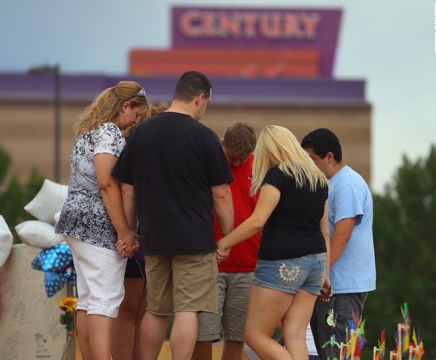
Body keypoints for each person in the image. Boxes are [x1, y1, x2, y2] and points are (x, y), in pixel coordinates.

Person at [112, 71, 234, 360]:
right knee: (187, 310)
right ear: (200, 98)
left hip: (155, 238)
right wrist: (228, 237)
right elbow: (221, 195)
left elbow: (127, 190)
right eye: (207, 103)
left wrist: (130, 230)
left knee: (156, 310)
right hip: (195, 240)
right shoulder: (204, 137)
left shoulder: (142, 132)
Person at [216, 125, 330, 360]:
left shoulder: (277, 175)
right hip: (316, 263)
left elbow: (257, 221)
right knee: (296, 335)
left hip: (282, 264)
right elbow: (325, 232)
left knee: (255, 334)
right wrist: (326, 272)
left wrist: (223, 242)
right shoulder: (318, 179)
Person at [55, 81, 149, 360]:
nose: (136, 121)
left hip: (74, 223)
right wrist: (124, 231)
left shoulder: (87, 132)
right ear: (125, 106)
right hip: (97, 227)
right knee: (105, 301)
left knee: (87, 300)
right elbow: (108, 183)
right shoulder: (109, 132)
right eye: (137, 114)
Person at [301, 128, 376, 360]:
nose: (308, 164)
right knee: (329, 351)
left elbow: (342, 234)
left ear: (329, 157)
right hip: (332, 285)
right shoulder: (334, 183)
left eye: (311, 159)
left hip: (342, 287)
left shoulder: (348, 185)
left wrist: (321, 274)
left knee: (337, 352)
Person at [192, 122, 261, 360]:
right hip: (209, 261)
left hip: (248, 263)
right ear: (222, 144)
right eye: (233, 158)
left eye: (244, 159)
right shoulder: (206, 164)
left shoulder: (261, 168)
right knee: (202, 333)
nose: (238, 164)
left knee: (237, 335)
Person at [112, 104, 166, 360]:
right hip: (145, 239)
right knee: (140, 309)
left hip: (140, 239)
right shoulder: (144, 155)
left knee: (133, 309)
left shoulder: (135, 152)